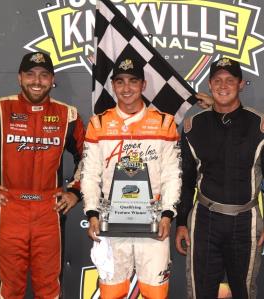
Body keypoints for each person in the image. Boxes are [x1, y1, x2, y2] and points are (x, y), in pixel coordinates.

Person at [0, 52, 85, 298]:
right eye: (30, 74)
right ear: (19, 77)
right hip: (10, 208)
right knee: (9, 290)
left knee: (50, 290)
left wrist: (75, 191)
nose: (37, 81)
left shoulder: (68, 115)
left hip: (49, 210)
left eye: (44, 75)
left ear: (52, 79)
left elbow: (90, 157)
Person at [175, 57, 264, 299]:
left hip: (245, 221)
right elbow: (185, 180)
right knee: (199, 291)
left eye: (229, 80)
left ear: (240, 84)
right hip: (204, 220)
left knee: (244, 291)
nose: (223, 85)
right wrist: (181, 221)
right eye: (217, 80)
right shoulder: (193, 126)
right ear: (210, 84)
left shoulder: (263, 125)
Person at [81, 57, 181, 298]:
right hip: (111, 221)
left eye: (133, 81)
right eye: (120, 82)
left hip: (154, 221)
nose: (126, 88)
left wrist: (168, 214)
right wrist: (92, 213)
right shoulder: (99, 123)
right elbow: (89, 172)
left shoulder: (165, 123)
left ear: (143, 85)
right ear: (113, 86)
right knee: (112, 292)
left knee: (155, 293)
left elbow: (172, 174)